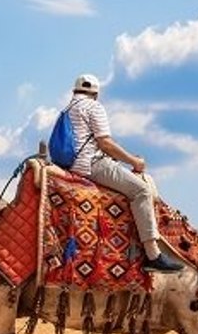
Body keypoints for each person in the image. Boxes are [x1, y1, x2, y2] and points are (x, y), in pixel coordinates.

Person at [65, 73, 183, 273]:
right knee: (142, 190)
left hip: (70, 164)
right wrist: (134, 161)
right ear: (96, 94)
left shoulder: (68, 108)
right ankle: (153, 255)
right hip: (90, 165)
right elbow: (105, 144)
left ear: (75, 91)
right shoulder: (94, 107)